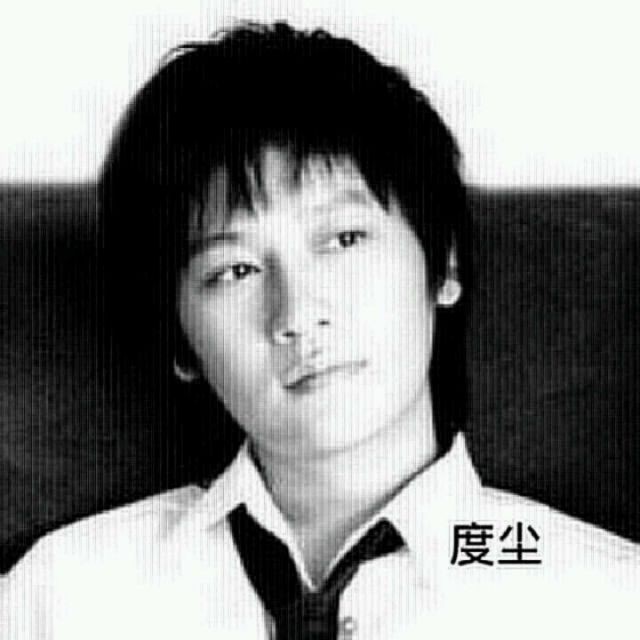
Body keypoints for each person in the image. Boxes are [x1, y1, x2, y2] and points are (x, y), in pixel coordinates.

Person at [1, 21, 638, 640]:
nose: (299, 314)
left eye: (344, 238)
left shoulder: (604, 600)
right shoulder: (63, 594)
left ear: (443, 263)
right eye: (235, 270)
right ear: (180, 341)